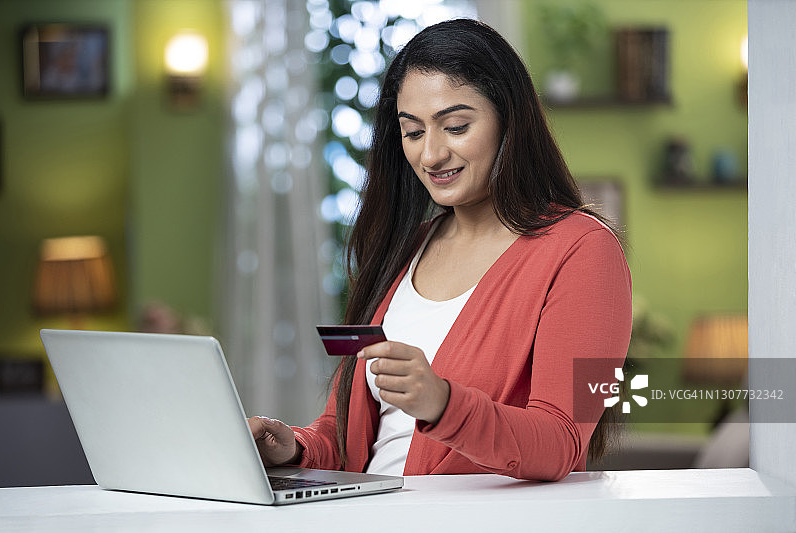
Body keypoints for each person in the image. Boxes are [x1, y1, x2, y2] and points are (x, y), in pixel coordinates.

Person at [248, 18, 632, 481]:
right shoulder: (405, 248)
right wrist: (295, 449)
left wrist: (443, 403)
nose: (430, 155)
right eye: (412, 132)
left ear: (510, 121)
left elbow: (562, 443)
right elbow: (350, 436)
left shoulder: (586, 251)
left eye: (454, 126)